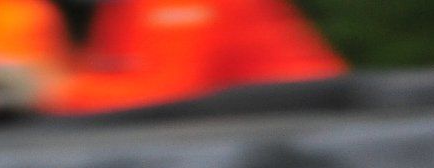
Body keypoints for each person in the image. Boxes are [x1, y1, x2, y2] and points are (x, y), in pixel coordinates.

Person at [39, 0, 347, 114]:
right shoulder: (120, 10)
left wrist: (54, 91)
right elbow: (115, 81)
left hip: (310, 143)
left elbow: (173, 94)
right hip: (235, 148)